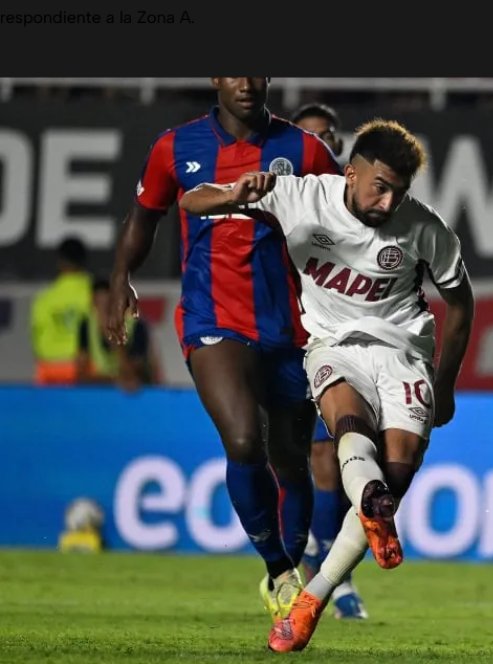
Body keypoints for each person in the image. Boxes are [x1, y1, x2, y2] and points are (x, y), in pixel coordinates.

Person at [179, 118, 475, 653]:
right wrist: (238, 190)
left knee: (395, 473)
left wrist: (446, 384)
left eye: (399, 192)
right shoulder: (297, 195)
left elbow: (461, 301)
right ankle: (324, 585)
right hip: (332, 345)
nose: (387, 203)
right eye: (379, 187)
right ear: (351, 171)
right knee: (347, 429)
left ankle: (318, 587)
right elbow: (193, 201)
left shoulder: (424, 227)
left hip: (405, 351)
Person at [105, 77, 341, 626]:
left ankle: (291, 560)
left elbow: (348, 219)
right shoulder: (176, 146)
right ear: (215, 78)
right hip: (213, 318)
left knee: (291, 456)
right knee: (241, 438)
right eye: (233, 71)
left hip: (293, 327)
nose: (245, 83)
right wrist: (120, 278)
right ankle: (280, 570)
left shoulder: (305, 150)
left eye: (255, 72)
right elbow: (146, 214)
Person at [289, 101, 368, 619]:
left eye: (327, 135)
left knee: (336, 460)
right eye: (309, 135)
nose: (320, 142)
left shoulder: (359, 202)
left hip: (338, 343)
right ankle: (313, 556)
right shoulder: (286, 199)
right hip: (285, 337)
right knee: (301, 461)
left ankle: (332, 577)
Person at [30, 236, 93, 385]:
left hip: (48, 371)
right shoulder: (95, 294)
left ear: (60, 262)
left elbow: (36, 339)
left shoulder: (43, 299)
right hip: (84, 371)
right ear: (84, 261)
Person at [76, 276, 157, 391]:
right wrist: (113, 381)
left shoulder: (136, 325)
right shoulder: (86, 325)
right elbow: (82, 376)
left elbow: (132, 375)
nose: (102, 313)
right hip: (101, 390)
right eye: (99, 305)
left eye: (107, 306)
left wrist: (113, 336)